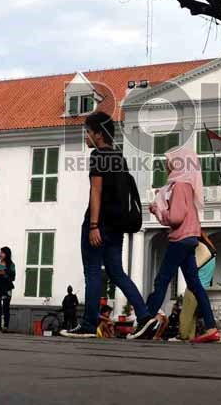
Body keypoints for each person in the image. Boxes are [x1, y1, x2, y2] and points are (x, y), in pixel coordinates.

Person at [61, 112, 156, 339]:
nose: (85, 136)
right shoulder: (119, 157)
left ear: (98, 134)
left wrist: (93, 225)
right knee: (117, 273)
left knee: (93, 273)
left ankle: (87, 325)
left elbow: (96, 191)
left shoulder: (98, 155)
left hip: (100, 225)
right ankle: (144, 315)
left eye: (88, 132)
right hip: (116, 227)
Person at [135, 145, 219, 343]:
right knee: (195, 284)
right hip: (190, 238)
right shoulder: (186, 185)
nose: (167, 163)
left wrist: (158, 211)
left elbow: (175, 218)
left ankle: (146, 320)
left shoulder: (180, 185)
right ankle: (211, 326)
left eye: (170, 160)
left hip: (180, 239)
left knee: (161, 280)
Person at [179, 233, 217, 341]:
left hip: (194, 287)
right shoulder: (212, 250)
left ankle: (183, 336)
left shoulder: (200, 249)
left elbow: (192, 266)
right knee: (193, 316)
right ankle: (190, 337)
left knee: (186, 315)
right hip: (204, 289)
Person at [0, 246, 16, 333]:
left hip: (7, 287)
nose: (0, 255)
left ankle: (6, 326)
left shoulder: (11, 265)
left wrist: (5, 273)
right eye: (0, 253)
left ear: (7, 254)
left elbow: (13, 278)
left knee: (6, 307)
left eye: (2, 253)